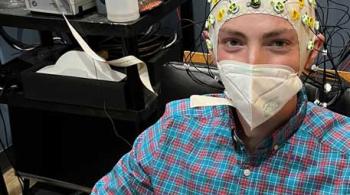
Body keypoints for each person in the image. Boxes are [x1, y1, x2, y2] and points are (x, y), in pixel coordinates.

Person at [92, 0, 350, 194]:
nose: (253, 64)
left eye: (278, 43)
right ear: (212, 50)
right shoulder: (171, 131)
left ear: (312, 52)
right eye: (234, 42)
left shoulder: (343, 161)